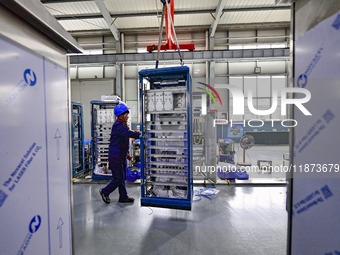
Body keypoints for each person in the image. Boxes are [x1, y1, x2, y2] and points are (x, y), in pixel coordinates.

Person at [99, 103, 140, 204]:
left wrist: (126, 154)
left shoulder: (123, 125)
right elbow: (128, 134)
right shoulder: (118, 125)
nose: (127, 116)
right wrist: (141, 134)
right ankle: (105, 191)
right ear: (121, 115)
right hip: (115, 156)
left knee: (123, 177)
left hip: (121, 155)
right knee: (118, 178)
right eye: (126, 114)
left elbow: (122, 142)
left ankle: (123, 197)